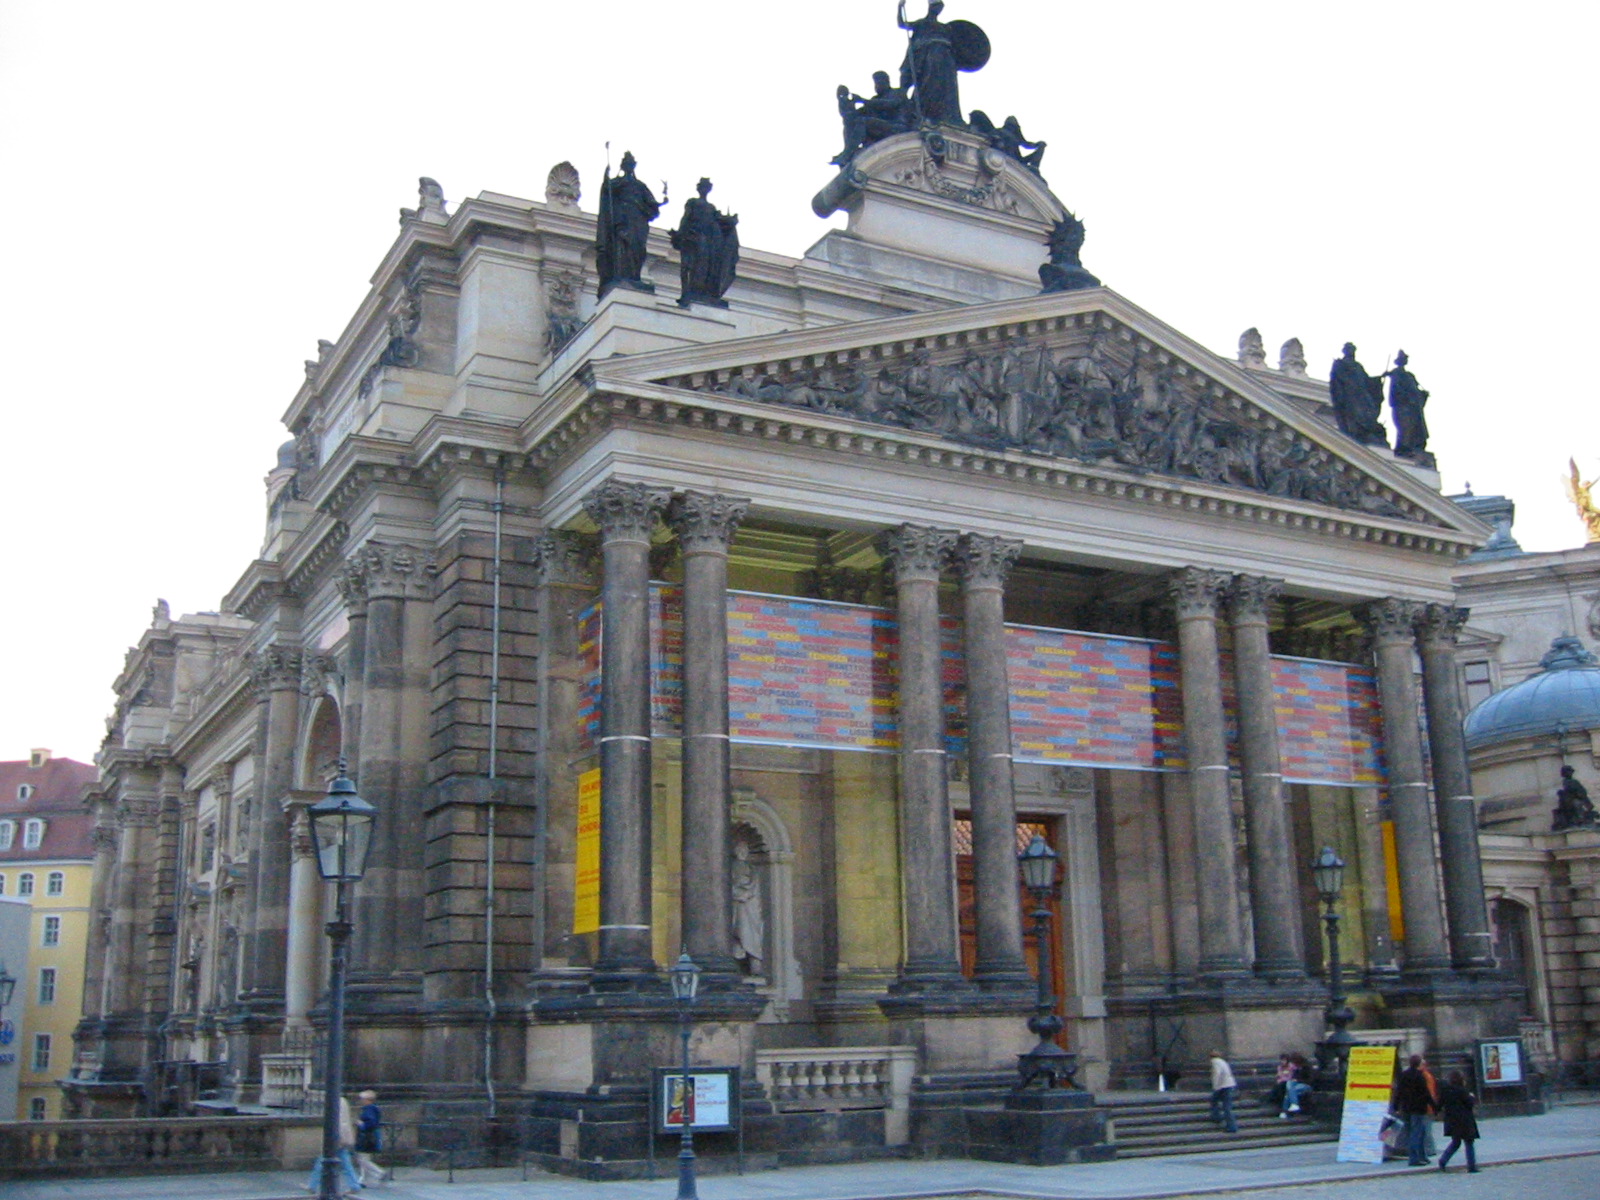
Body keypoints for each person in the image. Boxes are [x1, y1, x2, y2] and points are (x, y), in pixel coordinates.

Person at [595, 151, 662, 296]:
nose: (629, 167)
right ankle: (621, 275)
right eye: (627, 164)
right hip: (623, 218)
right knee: (623, 245)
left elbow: (651, 203)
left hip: (638, 220)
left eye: (631, 164)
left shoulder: (640, 186)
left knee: (638, 248)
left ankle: (634, 276)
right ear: (623, 166)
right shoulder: (618, 182)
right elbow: (607, 190)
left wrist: (659, 203)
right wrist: (606, 177)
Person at [898, 0, 962, 123]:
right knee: (928, 82)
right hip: (929, 54)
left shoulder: (945, 27)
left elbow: (958, 46)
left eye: (940, 8)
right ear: (930, 8)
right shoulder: (922, 23)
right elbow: (902, 24)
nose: (938, 10)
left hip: (946, 58)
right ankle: (926, 111)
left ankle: (946, 114)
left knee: (946, 85)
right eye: (936, 7)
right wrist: (900, 7)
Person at [304, 1094, 362, 1194]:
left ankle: (312, 1185)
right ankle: (354, 1185)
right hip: (342, 1136)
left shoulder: (335, 1101)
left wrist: (336, 1137)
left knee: (322, 1160)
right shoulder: (343, 1101)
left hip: (336, 1137)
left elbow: (339, 1121)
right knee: (346, 1163)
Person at [1393, 1053, 1437, 1166]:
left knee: (1413, 1133)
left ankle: (1422, 1156)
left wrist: (1396, 1106)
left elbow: (1398, 1092)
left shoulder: (1404, 1075)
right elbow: (1426, 1093)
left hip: (1406, 1108)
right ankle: (1415, 1158)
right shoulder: (1419, 1076)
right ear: (1419, 1064)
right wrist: (1434, 1106)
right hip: (1418, 1108)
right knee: (1418, 1133)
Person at [1384, 350, 1430, 459]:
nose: (1404, 361)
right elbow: (1396, 390)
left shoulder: (1409, 376)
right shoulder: (1397, 373)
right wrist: (1408, 397)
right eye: (1403, 359)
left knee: (1414, 426)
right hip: (1403, 405)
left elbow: (1415, 390)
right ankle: (1404, 448)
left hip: (1413, 407)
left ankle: (1411, 447)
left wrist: (1422, 394)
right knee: (1405, 426)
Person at [1436, 1069, 1480, 1173]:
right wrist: (1472, 1097)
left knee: (1456, 1142)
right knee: (1469, 1142)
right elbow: (1469, 1104)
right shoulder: (1462, 1091)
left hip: (1452, 1120)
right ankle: (1471, 1166)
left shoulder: (1446, 1091)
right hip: (1465, 1120)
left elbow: (1439, 1104)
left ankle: (1443, 1161)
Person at [355, 1089, 387, 1187]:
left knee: (363, 1159)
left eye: (362, 1099)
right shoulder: (372, 1109)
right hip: (369, 1137)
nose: (361, 1101)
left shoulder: (369, 1109)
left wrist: (361, 1124)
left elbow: (371, 1123)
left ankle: (379, 1173)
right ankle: (363, 1180)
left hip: (366, 1137)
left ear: (368, 1100)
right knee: (364, 1158)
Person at [1208, 1049, 1238, 1133]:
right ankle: (1217, 1117)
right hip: (1229, 1084)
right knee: (1220, 1103)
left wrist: (1215, 1086)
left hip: (1222, 1086)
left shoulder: (1215, 1062)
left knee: (1224, 1105)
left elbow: (1217, 1074)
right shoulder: (1223, 1061)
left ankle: (1230, 1125)